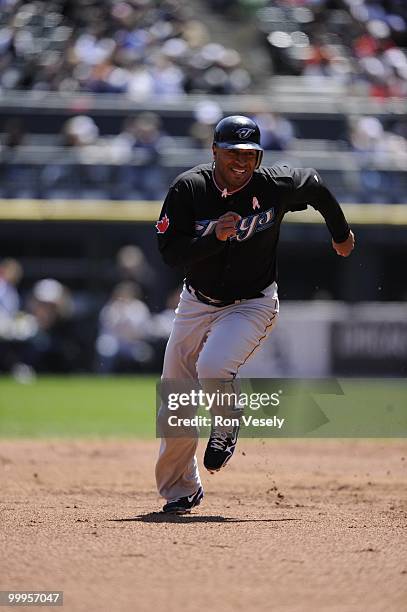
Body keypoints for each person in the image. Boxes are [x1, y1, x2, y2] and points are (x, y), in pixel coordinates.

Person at [154, 115, 355, 514]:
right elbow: (169, 253)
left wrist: (341, 233)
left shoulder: (273, 185)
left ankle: (226, 423)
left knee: (213, 366)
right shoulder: (189, 189)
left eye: (249, 154)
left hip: (252, 302)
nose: (241, 161)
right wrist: (212, 236)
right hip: (196, 302)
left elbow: (314, 185)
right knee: (175, 399)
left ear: (259, 156)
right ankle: (181, 489)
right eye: (232, 153)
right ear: (214, 151)